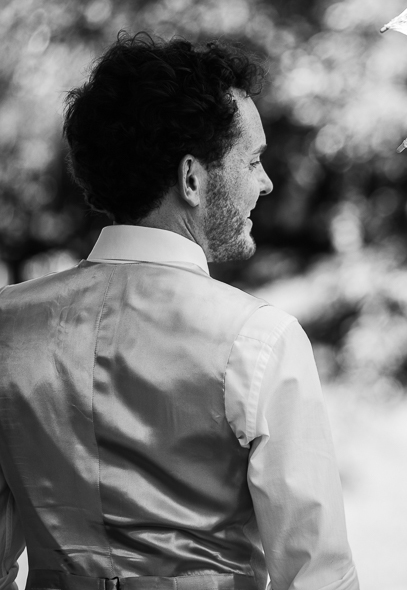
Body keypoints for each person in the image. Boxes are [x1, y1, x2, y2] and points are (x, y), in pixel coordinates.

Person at [0, 32, 358, 590]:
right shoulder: (259, 338)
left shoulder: (7, 325)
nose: (266, 183)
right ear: (192, 178)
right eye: (253, 160)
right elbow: (317, 577)